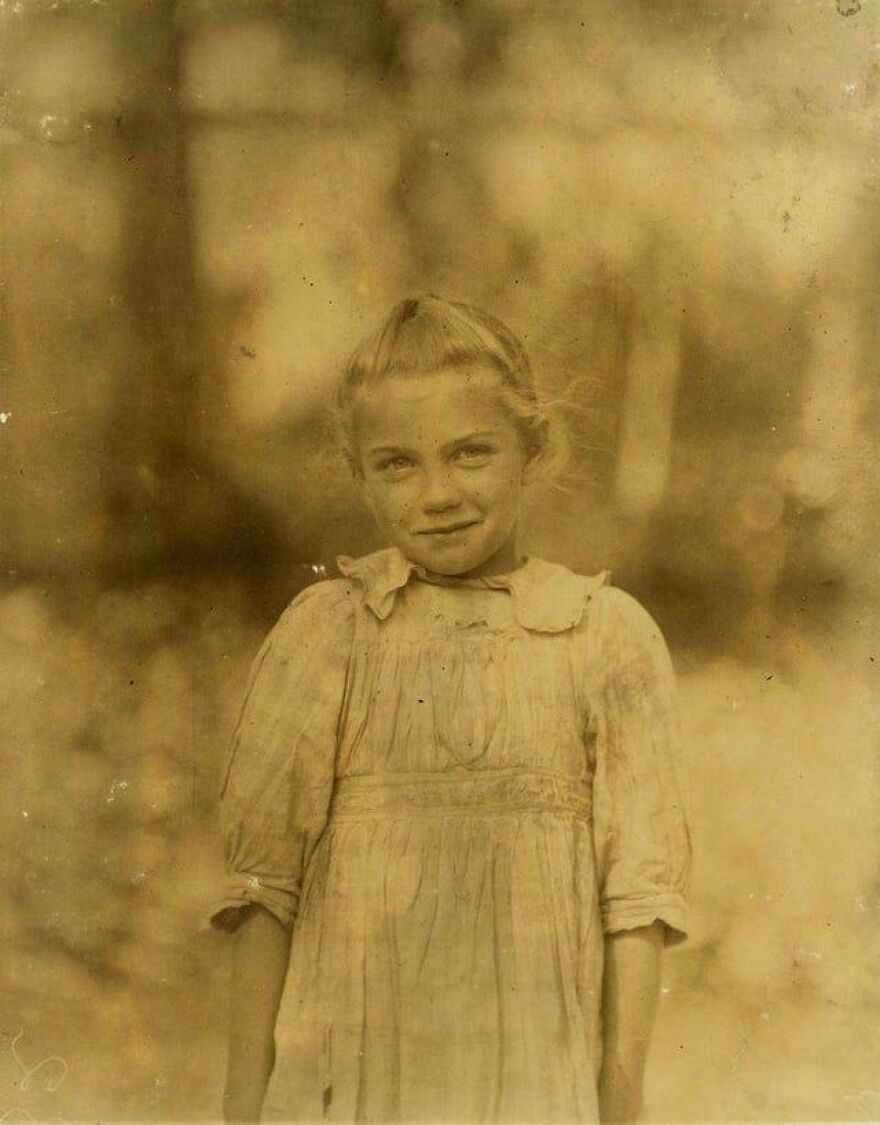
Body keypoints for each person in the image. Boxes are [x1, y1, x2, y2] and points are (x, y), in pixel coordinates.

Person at [209, 295, 692, 1123]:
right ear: (360, 474)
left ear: (531, 447)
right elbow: (265, 887)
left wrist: (620, 1099)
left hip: (535, 1079)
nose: (438, 494)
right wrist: (243, 1104)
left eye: (471, 453)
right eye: (398, 464)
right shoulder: (329, 633)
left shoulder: (604, 636)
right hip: (352, 1080)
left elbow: (638, 899)